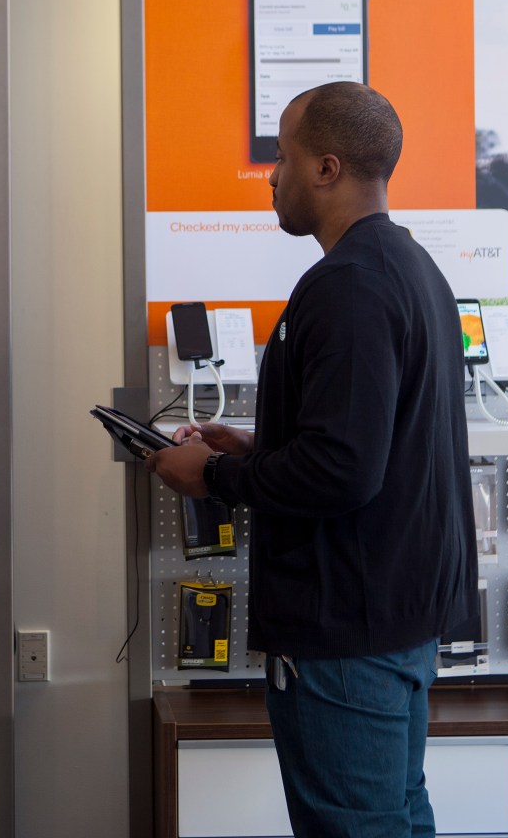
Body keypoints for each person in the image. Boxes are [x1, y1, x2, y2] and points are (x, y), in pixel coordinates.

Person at [147, 83, 477, 838]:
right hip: (391, 621)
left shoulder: (346, 288)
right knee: (394, 821)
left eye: (283, 157)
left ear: (326, 169)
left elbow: (343, 470)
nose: (272, 174)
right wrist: (261, 445)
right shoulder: (412, 271)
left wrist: (215, 478)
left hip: (347, 635)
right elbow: (377, 442)